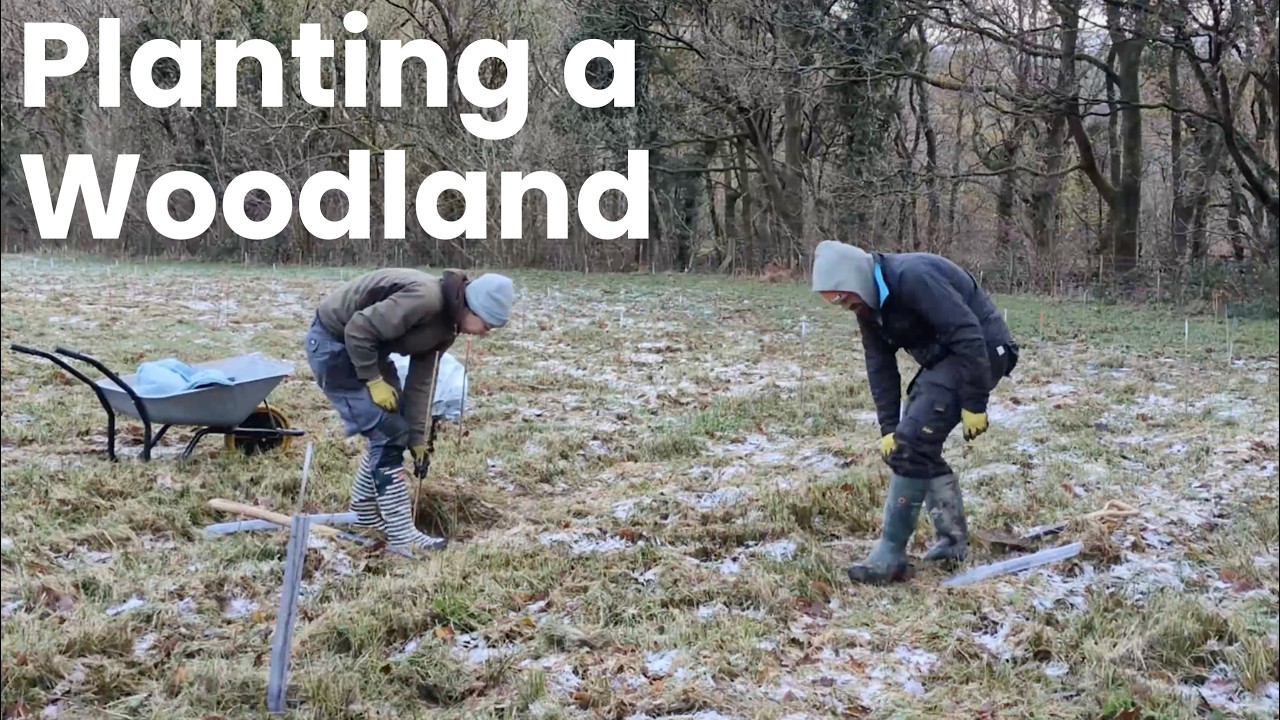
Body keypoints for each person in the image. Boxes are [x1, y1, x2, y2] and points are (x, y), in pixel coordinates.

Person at [811, 240, 1018, 584]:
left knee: (914, 443)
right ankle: (952, 545)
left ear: (855, 279)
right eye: (835, 300)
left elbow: (967, 333)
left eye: (842, 296)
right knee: (912, 441)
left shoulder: (913, 277)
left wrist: (974, 403)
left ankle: (890, 555)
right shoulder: (868, 307)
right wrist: (888, 428)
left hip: (982, 350)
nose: (843, 305)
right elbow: (879, 365)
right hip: (943, 359)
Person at [304, 267, 515, 552]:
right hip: (334, 344)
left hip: (369, 349)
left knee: (397, 427)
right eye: (487, 325)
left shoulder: (447, 327)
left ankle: (364, 510)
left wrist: (417, 437)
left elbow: (421, 381)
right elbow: (357, 329)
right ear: (472, 308)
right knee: (387, 431)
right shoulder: (425, 300)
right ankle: (403, 535)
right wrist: (374, 380)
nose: (485, 333)